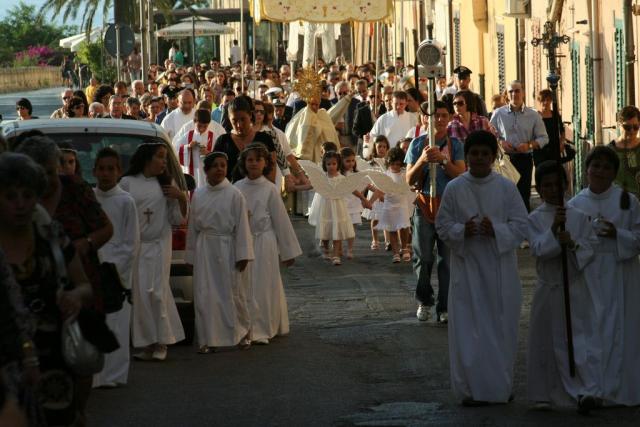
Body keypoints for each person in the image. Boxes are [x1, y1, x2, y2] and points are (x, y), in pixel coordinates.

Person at [435, 130, 528, 405]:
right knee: (469, 328)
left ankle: (500, 386)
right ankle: (470, 389)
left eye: (484, 154)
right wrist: (461, 230)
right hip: (467, 269)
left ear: (493, 156)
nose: (479, 158)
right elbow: (442, 224)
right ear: (467, 155)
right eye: (474, 153)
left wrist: (496, 230)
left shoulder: (506, 187)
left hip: (500, 269)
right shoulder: (455, 188)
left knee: (500, 327)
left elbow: (521, 225)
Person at [0, 152, 92, 426]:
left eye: (27, 196)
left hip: (53, 363)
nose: (20, 204)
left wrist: (75, 296)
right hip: (5, 363)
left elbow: (85, 285)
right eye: (10, 196)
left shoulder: (52, 237)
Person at [568, 146, 640, 409]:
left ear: (614, 172)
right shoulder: (575, 204)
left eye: (606, 167)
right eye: (595, 166)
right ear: (586, 170)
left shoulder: (628, 201)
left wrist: (617, 234)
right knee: (590, 330)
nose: (600, 171)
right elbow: (570, 241)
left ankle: (617, 388)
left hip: (619, 271)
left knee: (619, 328)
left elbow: (638, 237)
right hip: (587, 272)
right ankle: (591, 387)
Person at [526, 160, 599, 411]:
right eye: (546, 185)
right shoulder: (534, 218)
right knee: (545, 341)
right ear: (539, 188)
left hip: (573, 287)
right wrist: (554, 230)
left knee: (576, 340)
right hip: (549, 287)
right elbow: (538, 249)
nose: (552, 190)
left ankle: (583, 390)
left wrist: (572, 244)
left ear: (565, 185)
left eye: (557, 184)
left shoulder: (578, 216)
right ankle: (544, 392)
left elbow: (590, 248)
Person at [120, 144, 188, 361]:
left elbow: (177, 218)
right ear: (147, 159)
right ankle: (147, 343)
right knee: (140, 294)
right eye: (160, 157)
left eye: (165, 158)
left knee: (157, 292)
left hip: (159, 244)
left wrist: (181, 197)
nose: (164, 162)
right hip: (137, 246)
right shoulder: (127, 183)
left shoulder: (167, 184)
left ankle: (162, 341)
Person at [185, 152, 253, 353]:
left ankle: (242, 332)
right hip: (205, 249)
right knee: (204, 293)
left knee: (233, 292)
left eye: (223, 165)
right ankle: (208, 338)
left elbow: (242, 226)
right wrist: (190, 255)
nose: (220, 169)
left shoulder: (234, 195)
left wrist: (243, 254)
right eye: (215, 165)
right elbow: (192, 227)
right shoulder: (199, 194)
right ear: (206, 170)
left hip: (227, 247)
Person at [235, 144, 302, 344]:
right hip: (243, 242)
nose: (254, 163)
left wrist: (288, 251)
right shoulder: (236, 188)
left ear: (265, 163)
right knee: (243, 286)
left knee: (263, 285)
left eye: (258, 160)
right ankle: (244, 327)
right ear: (244, 163)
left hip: (264, 242)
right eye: (250, 160)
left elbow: (281, 220)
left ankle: (263, 328)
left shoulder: (270, 189)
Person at [405, 101, 465, 322]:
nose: (438, 120)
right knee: (423, 257)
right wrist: (422, 160)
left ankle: (444, 306)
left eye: (443, 115)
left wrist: (443, 160)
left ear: (449, 118)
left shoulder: (455, 144)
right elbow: (409, 179)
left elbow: (460, 174)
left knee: (446, 260)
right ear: (424, 118)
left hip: (449, 208)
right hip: (424, 205)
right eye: (434, 115)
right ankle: (424, 300)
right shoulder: (417, 144)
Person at [91, 148, 139, 389]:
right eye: (101, 169)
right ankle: (93, 374)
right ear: (94, 171)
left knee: (116, 324)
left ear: (119, 172)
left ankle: (113, 374)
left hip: (115, 273)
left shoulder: (126, 201)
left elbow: (131, 243)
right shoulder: (89, 199)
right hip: (91, 267)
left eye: (111, 169)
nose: (106, 174)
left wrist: (111, 266)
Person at [490, 80, 549, 212]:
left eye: (517, 91)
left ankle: (523, 223)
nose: (514, 94)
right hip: (505, 161)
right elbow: (489, 134)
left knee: (523, 198)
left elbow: (544, 138)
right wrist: (500, 142)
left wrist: (529, 145)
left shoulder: (533, 115)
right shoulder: (498, 113)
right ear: (507, 94)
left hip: (524, 161)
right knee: (504, 197)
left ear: (523, 93)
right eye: (511, 91)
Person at [213, 96, 277, 183]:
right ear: (229, 118)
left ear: (250, 115)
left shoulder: (265, 139)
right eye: (234, 120)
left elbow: (271, 175)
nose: (239, 125)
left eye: (243, 119)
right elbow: (215, 175)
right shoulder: (223, 141)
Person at [308, 151, 355, 265]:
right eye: (328, 164)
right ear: (325, 165)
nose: (331, 166)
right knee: (325, 229)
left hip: (338, 207)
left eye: (334, 164)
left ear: (338, 164)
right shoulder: (322, 178)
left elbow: (352, 189)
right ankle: (326, 249)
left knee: (337, 230)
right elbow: (310, 185)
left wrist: (364, 200)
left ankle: (336, 255)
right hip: (326, 207)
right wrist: (296, 187)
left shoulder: (342, 178)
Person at [374, 147, 412, 263]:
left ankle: (404, 248)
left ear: (402, 163)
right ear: (388, 162)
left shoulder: (405, 174)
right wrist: (371, 201)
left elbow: (411, 185)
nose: (395, 166)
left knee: (404, 227)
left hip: (401, 205)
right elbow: (379, 189)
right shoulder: (386, 175)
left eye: (398, 164)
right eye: (392, 164)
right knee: (392, 229)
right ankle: (395, 253)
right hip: (389, 205)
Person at [174, 109, 217, 188]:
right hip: (191, 172)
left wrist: (208, 153)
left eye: (205, 126)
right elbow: (175, 150)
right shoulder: (188, 135)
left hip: (206, 174)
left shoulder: (213, 136)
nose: (202, 129)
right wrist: (188, 147)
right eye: (199, 126)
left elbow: (218, 155)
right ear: (194, 122)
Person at [340, 147, 369, 259]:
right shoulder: (339, 175)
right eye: (347, 161)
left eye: (353, 160)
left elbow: (366, 184)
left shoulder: (357, 173)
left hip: (354, 203)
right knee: (340, 227)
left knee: (351, 229)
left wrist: (375, 191)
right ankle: (339, 247)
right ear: (341, 161)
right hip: (342, 203)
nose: (351, 163)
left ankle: (350, 249)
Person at [362, 136, 390, 250]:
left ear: (387, 148)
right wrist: (377, 193)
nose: (382, 149)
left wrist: (384, 193)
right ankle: (375, 240)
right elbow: (368, 182)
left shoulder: (389, 163)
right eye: (379, 146)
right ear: (375, 148)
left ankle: (388, 241)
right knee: (376, 218)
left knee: (386, 217)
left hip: (386, 193)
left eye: (384, 147)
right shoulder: (371, 164)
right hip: (374, 193)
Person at [608, 105, 640, 199]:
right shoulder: (609, 151)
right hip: (619, 202)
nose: (632, 131)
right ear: (619, 125)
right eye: (627, 127)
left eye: (635, 127)